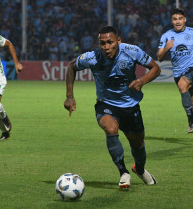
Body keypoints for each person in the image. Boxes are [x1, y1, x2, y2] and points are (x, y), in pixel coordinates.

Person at [64, 26, 160, 189]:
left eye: (110, 42)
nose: (106, 47)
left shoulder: (131, 51)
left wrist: (142, 81)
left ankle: (140, 168)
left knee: (138, 145)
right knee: (110, 128)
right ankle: (123, 171)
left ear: (118, 41)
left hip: (130, 106)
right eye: (102, 43)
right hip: (106, 104)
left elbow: (155, 68)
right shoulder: (92, 57)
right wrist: (69, 96)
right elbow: (71, 67)